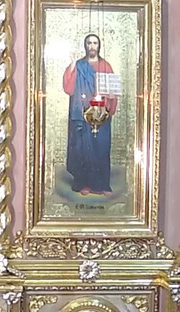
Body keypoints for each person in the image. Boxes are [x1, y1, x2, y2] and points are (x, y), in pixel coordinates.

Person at [62, 33, 118, 196]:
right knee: (82, 150)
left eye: (95, 43)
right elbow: (69, 89)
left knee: (101, 148)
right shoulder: (78, 65)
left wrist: (112, 98)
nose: (92, 46)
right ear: (85, 46)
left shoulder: (105, 66)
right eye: (89, 43)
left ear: (98, 46)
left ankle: (102, 185)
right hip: (83, 115)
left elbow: (112, 89)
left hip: (101, 115)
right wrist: (72, 64)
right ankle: (83, 183)